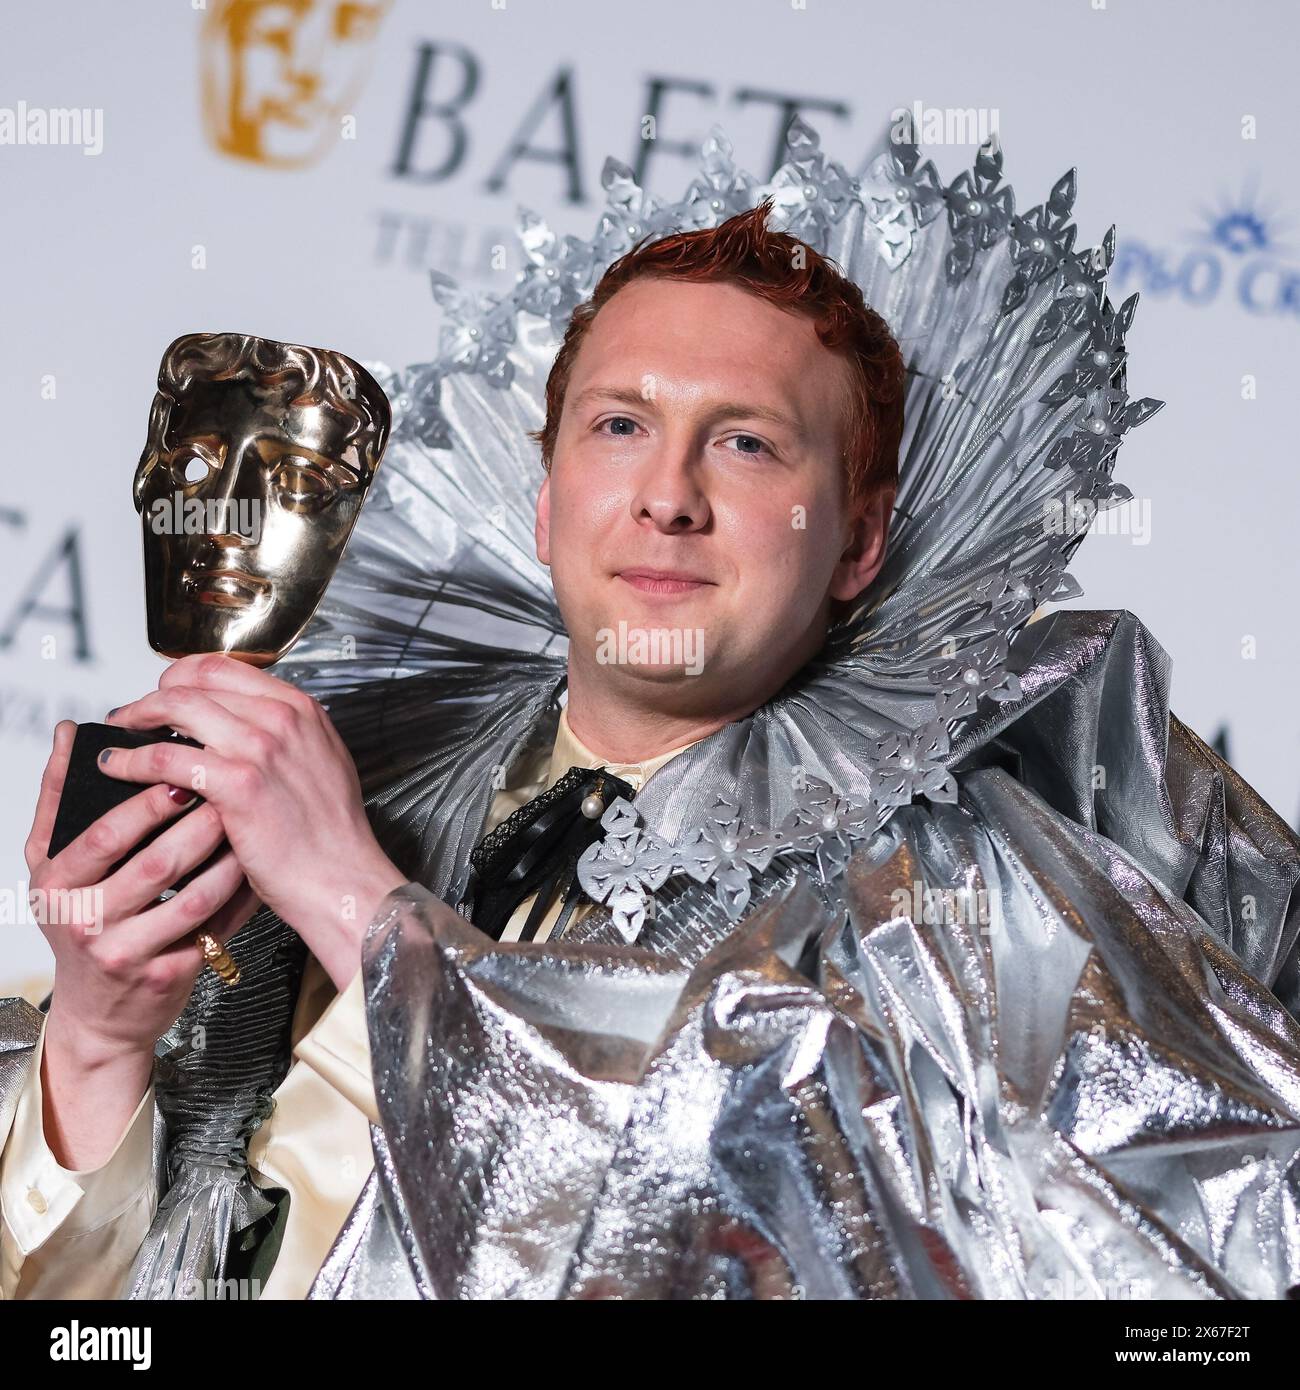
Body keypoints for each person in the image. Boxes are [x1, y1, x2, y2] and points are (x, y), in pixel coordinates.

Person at [2, 118, 1298, 1300]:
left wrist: (363, 913)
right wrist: (100, 1046)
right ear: (547, 501)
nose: (667, 494)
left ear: (858, 544)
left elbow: (762, 1226)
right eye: (620, 425)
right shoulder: (349, 782)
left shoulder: (960, 900)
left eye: (746, 443)